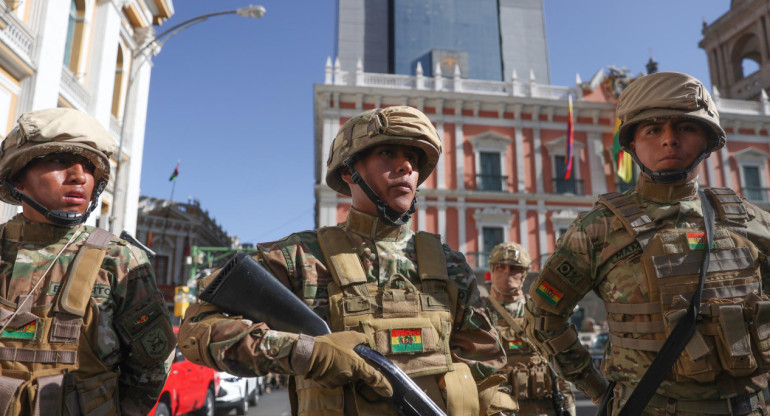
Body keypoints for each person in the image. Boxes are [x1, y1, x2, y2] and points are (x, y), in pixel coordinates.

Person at [179, 106, 512, 415]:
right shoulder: (301, 258)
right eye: (387, 153)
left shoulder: (448, 265)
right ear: (350, 172)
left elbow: (487, 372)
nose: (406, 166)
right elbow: (196, 329)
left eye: (412, 157)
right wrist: (302, 353)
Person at [524, 71, 770, 416]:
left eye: (685, 127)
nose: (669, 140)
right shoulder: (597, 229)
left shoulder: (753, 222)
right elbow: (543, 316)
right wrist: (597, 389)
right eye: (653, 129)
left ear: (708, 139)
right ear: (632, 145)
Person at [0, 108, 175, 415]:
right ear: (18, 177)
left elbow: (153, 364)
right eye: (59, 160)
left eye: (90, 167)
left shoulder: (118, 261)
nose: (79, 176)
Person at [484, 242, 576, 416]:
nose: (506, 272)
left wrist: (569, 409)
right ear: (492, 270)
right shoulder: (478, 312)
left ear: (524, 273)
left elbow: (560, 367)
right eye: (500, 267)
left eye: (514, 268)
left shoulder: (540, 312)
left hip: (540, 408)